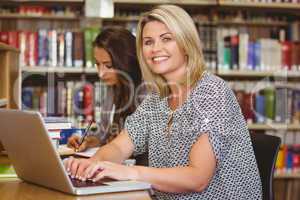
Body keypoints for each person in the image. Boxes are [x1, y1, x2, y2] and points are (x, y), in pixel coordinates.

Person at [64, 5, 262, 200]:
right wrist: (92, 163)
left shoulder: (211, 91)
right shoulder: (157, 99)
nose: (155, 49)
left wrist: (129, 172)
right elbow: (119, 147)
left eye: (166, 39)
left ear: (186, 43)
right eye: (148, 42)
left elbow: (197, 178)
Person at [68, 27, 143, 152]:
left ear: (126, 62)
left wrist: (117, 143)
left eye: (108, 65)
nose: (101, 73)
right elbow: (104, 134)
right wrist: (87, 141)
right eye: (97, 64)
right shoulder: (112, 88)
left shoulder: (147, 93)